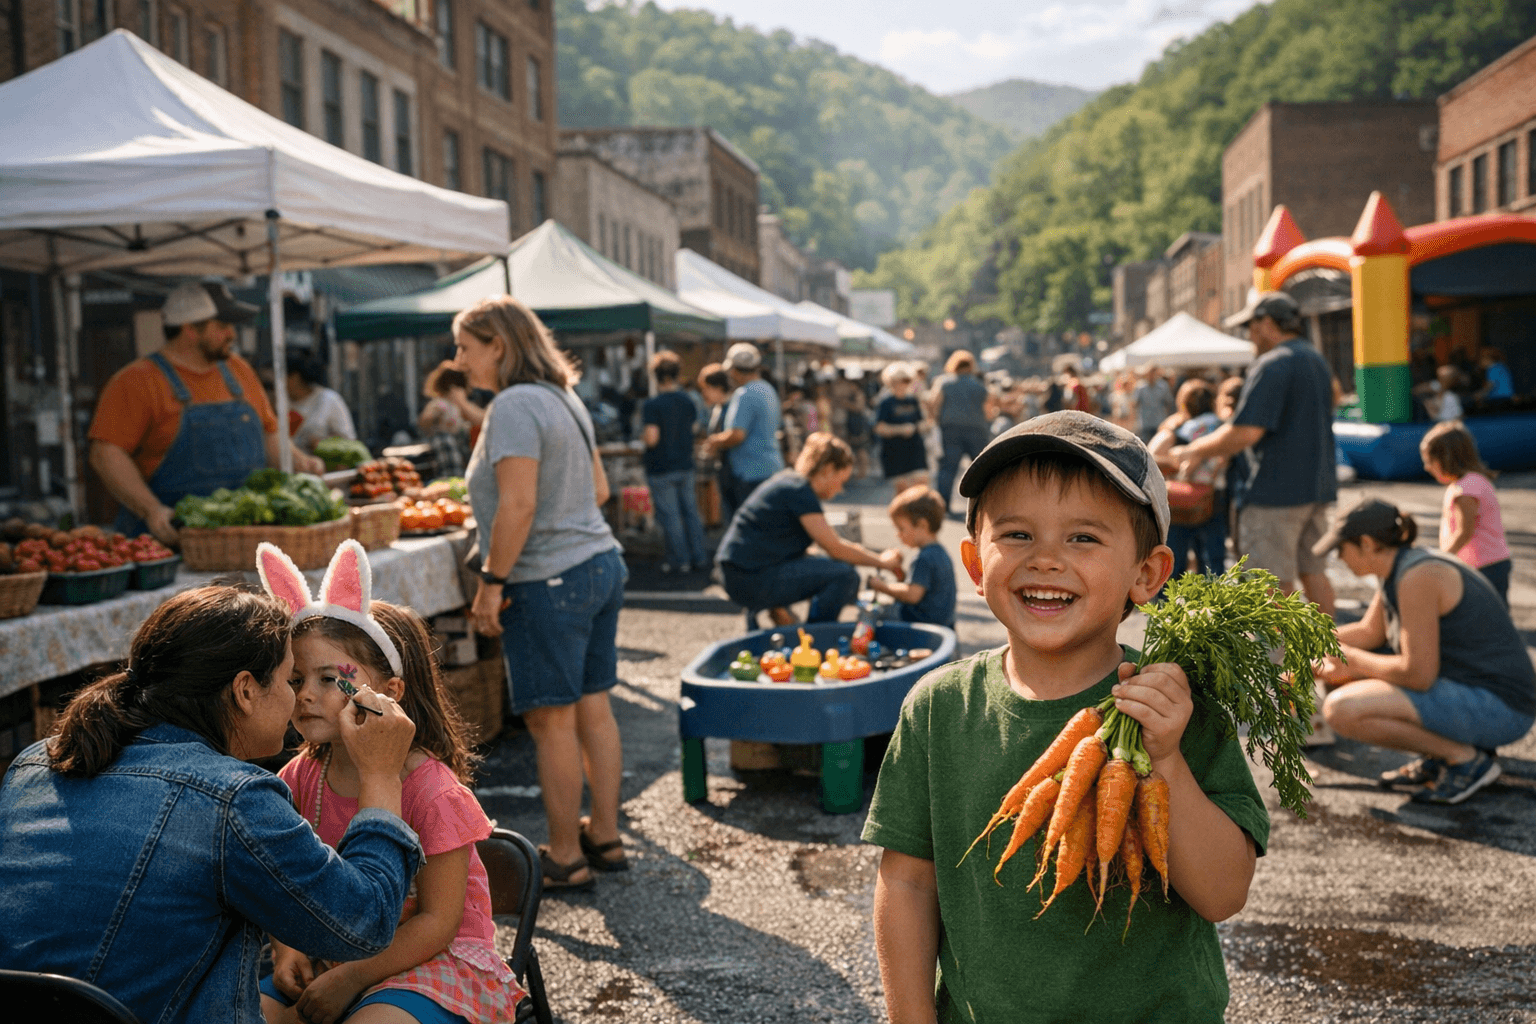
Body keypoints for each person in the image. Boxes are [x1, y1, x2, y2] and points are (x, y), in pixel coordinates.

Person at [864, 411, 1266, 1022]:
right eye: (1017, 534)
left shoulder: (1176, 705)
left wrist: (1165, 760)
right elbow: (907, 885)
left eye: (1083, 538)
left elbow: (1223, 893)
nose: (1047, 559)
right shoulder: (939, 707)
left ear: (1147, 573)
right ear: (975, 565)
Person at [0, 585, 422, 1024]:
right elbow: (365, 922)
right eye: (289, 679)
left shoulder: (38, 760)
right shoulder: (232, 799)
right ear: (245, 691)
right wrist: (380, 774)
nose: (297, 698)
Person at [255, 541, 523, 1024]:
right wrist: (286, 949)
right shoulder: (297, 778)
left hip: (429, 962)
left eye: (329, 679)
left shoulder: (432, 790)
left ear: (389, 692)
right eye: (295, 679)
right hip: (330, 956)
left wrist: (351, 978)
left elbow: (438, 923)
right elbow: (280, 880)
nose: (306, 696)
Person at [457, 295, 627, 892]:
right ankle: (605, 836)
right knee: (594, 707)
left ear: (498, 346)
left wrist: (491, 582)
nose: (459, 361)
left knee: (551, 723)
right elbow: (599, 490)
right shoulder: (563, 396)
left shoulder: (512, 405)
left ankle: (566, 857)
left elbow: (519, 504)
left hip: (547, 579)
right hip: (599, 563)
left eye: (466, 347)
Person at [1312, 498, 1535, 804]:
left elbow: (1418, 675)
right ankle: (1441, 755)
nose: (1339, 558)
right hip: (1477, 692)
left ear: (1366, 543)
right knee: (1338, 679)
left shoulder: (1418, 577)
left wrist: (1352, 662)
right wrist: (1304, 645)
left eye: (1341, 549)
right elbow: (1369, 632)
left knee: (1342, 710)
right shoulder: (1402, 567)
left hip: (1504, 709)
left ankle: (1465, 760)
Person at [88, 281, 324, 545]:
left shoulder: (239, 370)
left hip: (244, 537)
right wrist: (151, 509)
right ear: (190, 330)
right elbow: (106, 454)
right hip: (169, 539)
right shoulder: (137, 381)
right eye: (222, 326)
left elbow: (269, 433)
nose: (232, 334)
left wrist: (299, 461)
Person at [1175, 291, 1336, 614]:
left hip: (1274, 491)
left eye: (1251, 326)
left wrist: (1195, 449)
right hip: (1316, 486)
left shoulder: (1273, 363)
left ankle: (1274, 649)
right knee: (1314, 571)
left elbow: (1245, 432)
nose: (1249, 335)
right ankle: (1327, 645)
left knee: (1269, 581)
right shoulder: (1314, 358)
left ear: (1266, 323)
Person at [716, 432, 904, 624]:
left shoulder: (789, 481)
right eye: (841, 481)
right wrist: (882, 562)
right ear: (828, 470)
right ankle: (815, 633)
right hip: (748, 578)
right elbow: (835, 548)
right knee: (844, 575)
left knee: (823, 564)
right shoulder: (800, 491)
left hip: (739, 572)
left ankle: (781, 615)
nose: (840, 490)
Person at [1420, 420, 1513, 605]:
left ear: (1447, 458)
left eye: (1430, 461)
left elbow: (1464, 531)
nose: (1427, 467)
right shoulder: (1473, 482)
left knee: (1484, 615)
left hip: (1484, 567)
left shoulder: (1466, 489)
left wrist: (1441, 557)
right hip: (1490, 564)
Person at [1150, 379, 1228, 580]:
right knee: (1212, 561)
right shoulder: (1222, 427)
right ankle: (1214, 598)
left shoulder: (1177, 428)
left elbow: (1151, 457)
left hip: (1180, 499)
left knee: (1174, 561)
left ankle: (1170, 600)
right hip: (1213, 497)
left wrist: (1175, 462)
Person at [642, 350, 709, 574]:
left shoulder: (652, 405)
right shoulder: (688, 401)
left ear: (656, 376)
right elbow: (695, 428)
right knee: (691, 513)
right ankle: (699, 557)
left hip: (661, 466)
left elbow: (652, 438)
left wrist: (642, 438)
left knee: (670, 517)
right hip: (685, 463)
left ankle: (680, 561)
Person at [705, 343, 783, 512]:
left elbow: (737, 434)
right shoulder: (768, 389)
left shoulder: (745, 394)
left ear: (736, 370)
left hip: (750, 472)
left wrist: (714, 441)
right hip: (771, 467)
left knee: (749, 521)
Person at [867, 485, 956, 628]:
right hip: (944, 623)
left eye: (901, 528)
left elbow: (912, 595)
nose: (898, 535)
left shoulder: (923, 558)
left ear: (922, 525)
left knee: (875, 616)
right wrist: (900, 574)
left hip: (923, 623)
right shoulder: (940, 553)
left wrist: (881, 586)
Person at [929, 350, 991, 514]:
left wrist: (937, 421)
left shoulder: (944, 383)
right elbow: (989, 410)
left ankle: (943, 506)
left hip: (950, 430)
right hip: (977, 430)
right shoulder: (979, 385)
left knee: (947, 469)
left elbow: (934, 404)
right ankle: (985, 506)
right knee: (982, 468)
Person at [419, 363, 485, 478]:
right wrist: (436, 417)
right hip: (447, 452)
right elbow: (425, 420)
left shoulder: (459, 406)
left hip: (458, 451)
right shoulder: (440, 404)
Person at [873, 362, 930, 494]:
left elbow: (923, 422)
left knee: (921, 485)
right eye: (901, 381)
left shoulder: (913, 400)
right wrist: (900, 429)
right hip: (895, 450)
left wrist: (921, 427)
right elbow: (878, 428)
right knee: (902, 490)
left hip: (914, 448)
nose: (904, 384)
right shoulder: (886, 402)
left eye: (907, 380)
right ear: (892, 382)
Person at [286, 353, 357, 454]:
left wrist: (321, 443)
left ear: (294, 377)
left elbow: (349, 440)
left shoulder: (329, 399)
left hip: (324, 463)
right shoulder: (280, 403)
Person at [697, 362, 735, 524]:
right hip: (723, 469)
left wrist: (714, 443)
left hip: (733, 470)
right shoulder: (717, 408)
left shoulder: (732, 408)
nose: (703, 393)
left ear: (718, 388)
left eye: (706, 388)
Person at [1132, 365, 1174, 441]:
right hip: (1145, 424)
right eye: (1150, 373)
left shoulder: (1163, 386)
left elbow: (1169, 403)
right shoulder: (1140, 387)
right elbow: (1135, 404)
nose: (1151, 376)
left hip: (1159, 422)